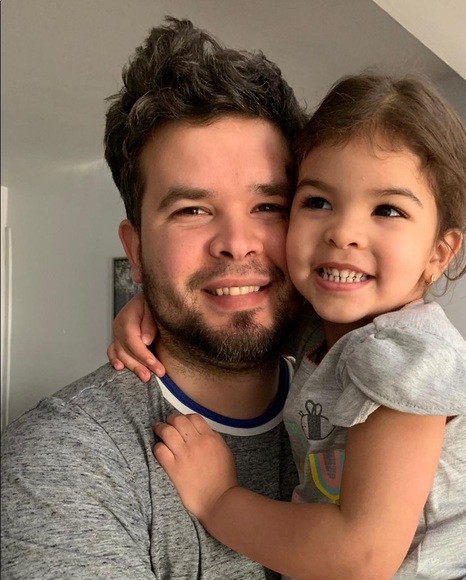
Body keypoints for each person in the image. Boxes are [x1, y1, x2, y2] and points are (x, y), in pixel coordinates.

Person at [115, 74, 466, 579]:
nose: (343, 233)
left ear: (438, 253)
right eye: (318, 202)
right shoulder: (325, 331)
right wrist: (152, 302)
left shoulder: (405, 358)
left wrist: (218, 499)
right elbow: (241, 311)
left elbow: (360, 556)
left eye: (387, 210)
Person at [0, 17, 309, 579]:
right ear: (136, 250)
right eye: (192, 210)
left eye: (269, 206)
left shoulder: (364, 400)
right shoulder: (64, 460)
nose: (237, 242)